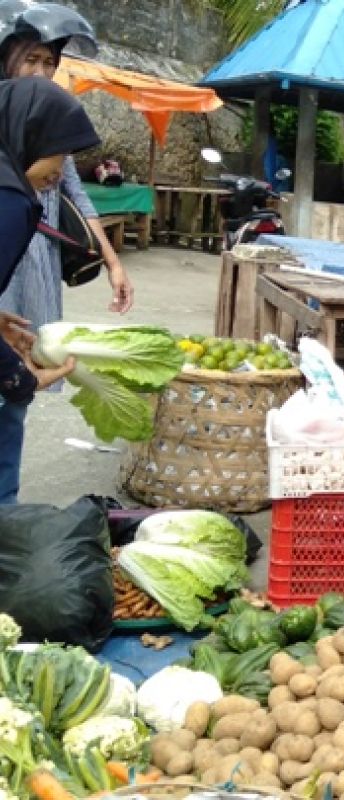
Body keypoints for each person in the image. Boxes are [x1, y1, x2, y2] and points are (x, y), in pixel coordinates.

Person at [0, 1, 133, 504]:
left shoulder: (48, 117)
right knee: (10, 376)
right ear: (7, 55)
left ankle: (5, 508)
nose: (41, 73)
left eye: (48, 64)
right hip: (5, 244)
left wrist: (113, 261)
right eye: (30, 60)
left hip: (32, 260)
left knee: (17, 387)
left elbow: (75, 190)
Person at [0, 77, 94, 407]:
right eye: (59, 153)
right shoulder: (11, 201)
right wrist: (20, 379)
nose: (58, 171)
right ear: (30, 138)